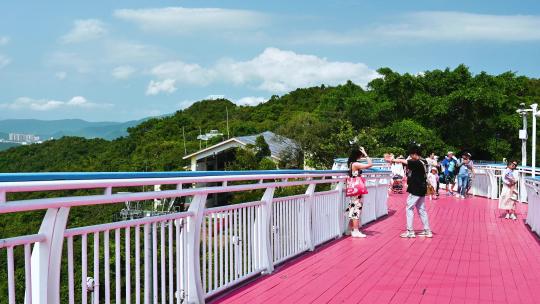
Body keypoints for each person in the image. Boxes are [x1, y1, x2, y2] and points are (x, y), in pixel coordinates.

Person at [384, 143, 433, 238]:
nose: (410, 156)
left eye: (411, 155)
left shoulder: (417, 162)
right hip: (422, 189)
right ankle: (427, 231)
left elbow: (404, 161)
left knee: (409, 208)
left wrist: (392, 159)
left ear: (414, 154)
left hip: (416, 189)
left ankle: (410, 231)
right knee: (421, 209)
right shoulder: (424, 161)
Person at [346, 146, 373, 237]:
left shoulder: (351, 164)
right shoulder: (355, 164)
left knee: (354, 207)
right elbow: (370, 164)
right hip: (357, 190)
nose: (361, 156)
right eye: (360, 155)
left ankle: (349, 229)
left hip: (354, 189)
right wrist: (366, 154)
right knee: (356, 209)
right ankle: (356, 231)